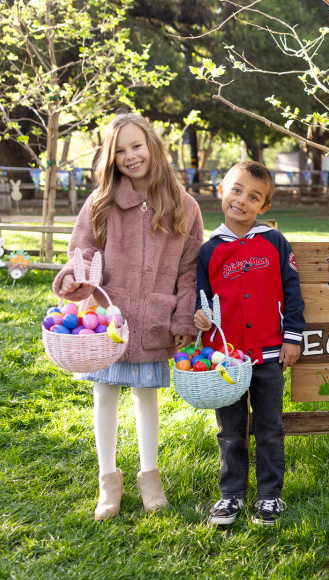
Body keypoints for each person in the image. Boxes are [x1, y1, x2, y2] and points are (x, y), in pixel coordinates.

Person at [53, 111, 204, 520]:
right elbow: (82, 251)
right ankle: (108, 480)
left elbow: (189, 270)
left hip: (154, 318)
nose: (130, 156)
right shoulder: (101, 201)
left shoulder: (184, 206)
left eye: (137, 146)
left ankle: (149, 476)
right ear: (111, 157)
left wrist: (182, 319)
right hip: (107, 319)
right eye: (120, 151)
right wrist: (76, 279)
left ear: (152, 145)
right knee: (104, 393)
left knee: (145, 395)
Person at [194, 161, 305, 526]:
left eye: (254, 197)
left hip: (270, 354)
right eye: (237, 190)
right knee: (230, 430)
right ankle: (232, 494)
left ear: (264, 206)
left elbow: (292, 293)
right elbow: (200, 298)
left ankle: (271, 496)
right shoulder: (208, 250)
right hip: (226, 361)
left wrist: (293, 338)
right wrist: (198, 315)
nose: (242, 200)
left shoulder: (274, 242)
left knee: (270, 427)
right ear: (221, 191)